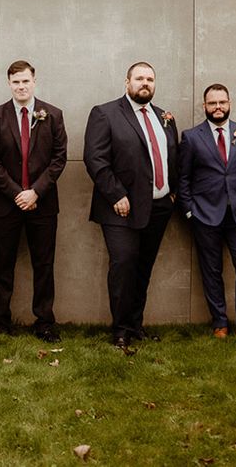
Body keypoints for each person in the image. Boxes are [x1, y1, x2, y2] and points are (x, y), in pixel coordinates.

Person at [83, 61, 178, 348]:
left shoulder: (164, 117)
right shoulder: (106, 113)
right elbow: (95, 159)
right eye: (139, 78)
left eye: (150, 79)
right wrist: (116, 195)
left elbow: (174, 155)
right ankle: (121, 330)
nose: (144, 83)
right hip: (120, 208)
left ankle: (136, 325)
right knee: (123, 266)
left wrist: (171, 192)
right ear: (127, 83)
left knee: (143, 268)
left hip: (159, 207)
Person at [0, 60, 67, 343]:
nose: (21, 86)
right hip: (6, 205)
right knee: (3, 264)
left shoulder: (52, 115)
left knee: (43, 265)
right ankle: (1, 323)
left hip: (43, 205)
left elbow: (59, 159)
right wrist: (18, 193)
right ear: (9, 84)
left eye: (25, 81)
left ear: (34, 81)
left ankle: (44, 322)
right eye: (15, 82)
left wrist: (36, 192)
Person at [178, 83, 236, 339]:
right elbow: (183, 179)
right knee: (211, 269)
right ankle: (220, 323)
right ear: (204, 106)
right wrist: (190, 212)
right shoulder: (192, 137)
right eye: (212, 103)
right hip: (205, 215)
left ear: (229, 104)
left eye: (222, 102)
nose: (217, 107)